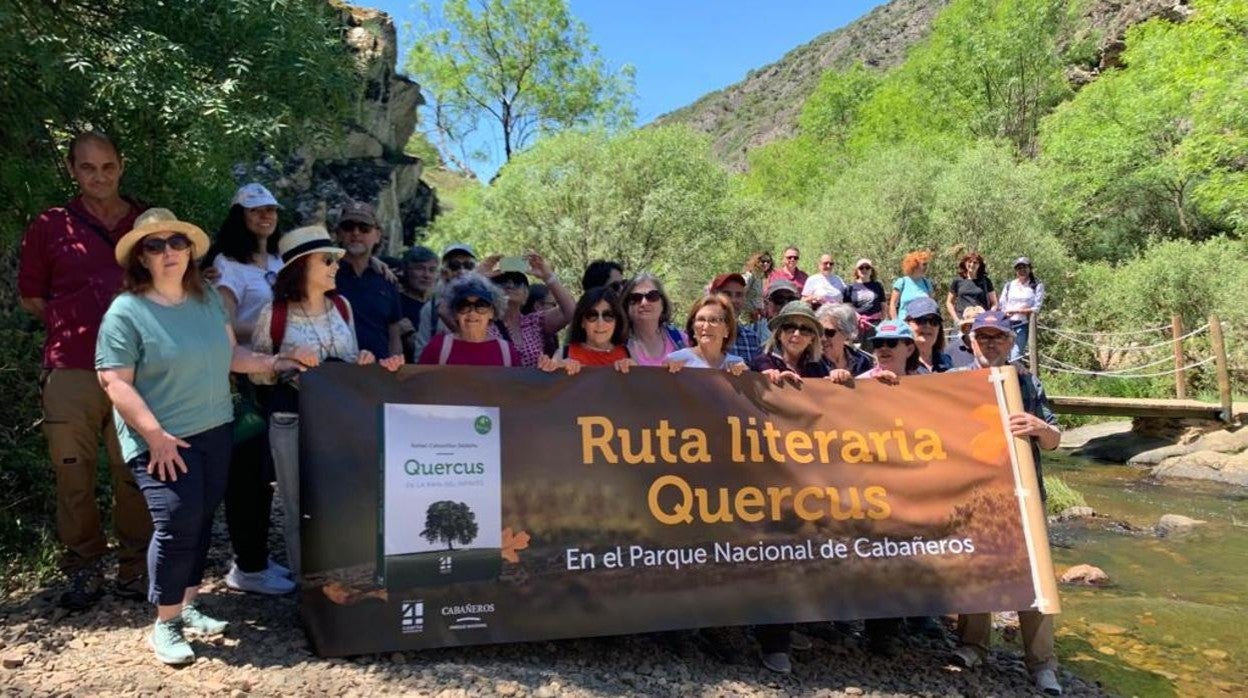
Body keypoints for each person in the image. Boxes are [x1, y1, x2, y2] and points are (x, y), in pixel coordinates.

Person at [95, 208, 309, 665]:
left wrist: (275, 362)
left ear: (190, 250)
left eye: (177, 243)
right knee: (175, 523)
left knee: (199, 519)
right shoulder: (126, 311)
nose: (168, 252)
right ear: (141, 257)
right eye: (155, 245)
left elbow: (231, 354)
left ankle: (186, 605)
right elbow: (115, 382)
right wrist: (155, 436)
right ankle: (165, 623)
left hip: (215, 429)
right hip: (160, 437)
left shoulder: (208, 299)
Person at [17, 130, 153, 609]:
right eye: (88, 167)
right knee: (72, 473)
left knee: (133, 470)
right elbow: (33, 296)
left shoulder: (146, 222)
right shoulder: (51, 225)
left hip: (137, 369)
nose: (100, 176)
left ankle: (136, 570)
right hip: (71, 368)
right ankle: (84, 568)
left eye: (108, 166)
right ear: (73, 169)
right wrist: (75, 322)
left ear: (121, 166)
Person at [251, 225, 399, 579]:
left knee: (342, 498)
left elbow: (348, 359)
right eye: (327, 260)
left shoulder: (342, 307)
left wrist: (362, 360)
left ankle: (341, 582)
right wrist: (285, 363)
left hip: (338, 423)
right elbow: (255, 371)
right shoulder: (274, 314)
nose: (336, 265)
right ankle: (307, 587)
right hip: (291, 418)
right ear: (302, 267)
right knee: (297, 502)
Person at [951, 309, 1063, 696]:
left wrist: (1041, 428)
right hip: (974, 493)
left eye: (997, 336)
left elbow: (1054, 439)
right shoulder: (953, 382)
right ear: (971, 342)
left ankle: (1043, 664)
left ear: (1011, 341)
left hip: (1025, 493)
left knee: (1034, 576)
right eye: (982, 337)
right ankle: (972, 646)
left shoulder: (1028, 382)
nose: (990, 343)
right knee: (976, 568)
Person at [206, 183, 292, 595]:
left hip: (277, 375)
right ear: (239, 215)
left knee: (268, 475)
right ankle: (247, 567)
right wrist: (275, 330)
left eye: (271, 209)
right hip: (242, 380)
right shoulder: (227, 264)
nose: (265, 216)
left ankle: (258, 558)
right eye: (256, 209)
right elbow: (222, 322)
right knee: (247, 475)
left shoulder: (278, 259)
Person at [748, 299, 826, 673]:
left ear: (814, 337)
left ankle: (788, 623)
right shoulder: (763, 364)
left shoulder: (818, 368)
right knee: (776, 553)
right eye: (790, 327)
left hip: (809, 476)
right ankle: (773, 641)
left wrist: (839, 382)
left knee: (804, 553)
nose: (797, 334)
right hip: (767, 476)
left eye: (806, 329)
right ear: (778, 331)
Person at [333, 201, 404, 362]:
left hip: (378, 376)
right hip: (334, 375)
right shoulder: (324, 275)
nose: (356, 233)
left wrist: (396, 369)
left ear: (377, 235)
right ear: (338, 234)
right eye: (348, 226)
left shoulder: (388, 280)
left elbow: (394, 334)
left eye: (364, 228)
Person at [480, 253, 575, 367]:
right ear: (491, 293)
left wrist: (548, 276)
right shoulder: (481, 324)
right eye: (501, 282)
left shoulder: (535, 322)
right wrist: (476, 278)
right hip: (497, 384)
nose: (509, 285)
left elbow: (571, 312)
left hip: (534, 384)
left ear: (526, 295)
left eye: (517, 281)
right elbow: (456, 317)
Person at [418, 274, 522, 367]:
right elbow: (421, 384)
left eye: (481, 306)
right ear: (455, 313)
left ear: (492, 312)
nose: (472, 313)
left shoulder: (507, 352)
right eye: (464, 306)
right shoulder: (438, 347)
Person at [538, 287, 632, 374]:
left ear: (617, 321)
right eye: (592, 315)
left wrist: (635, 371)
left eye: (608, 315)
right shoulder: (563, 354)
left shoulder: (629, 354)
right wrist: (556, 371)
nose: (600, 323)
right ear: (582, 322)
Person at [411, 242, 479, 358]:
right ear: (444, 272)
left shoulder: (487, 305)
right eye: (454, 265)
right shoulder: (431, 309)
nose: (462, 271)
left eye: (468, 265)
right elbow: (421, 355)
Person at [663, 295, 747, 374]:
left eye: (714, 320)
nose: (706, 326)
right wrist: (667, 372)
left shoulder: (736, 363)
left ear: (727, 330)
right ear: (693, 327)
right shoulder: (677, 359)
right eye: (701, 320)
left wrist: (744, 376)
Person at [622, 274, 687, 367]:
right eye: (635, 298)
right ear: (626, 306)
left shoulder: (681, 340)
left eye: (652, 296)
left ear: (663, 304)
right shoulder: (619, 344)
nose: (644, 303)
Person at [999, 257, 1046, 361]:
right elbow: (1002, 303)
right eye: (1018, 268)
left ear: (1030, 268)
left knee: (1016, 355)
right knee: (1004, 355)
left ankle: (1016, 376)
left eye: (1024, 267)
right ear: (1015, 271)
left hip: (1023, 324)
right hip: (1007, 324)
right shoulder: (1009, 285)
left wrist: (1017, 311)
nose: (1021, 270)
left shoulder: (1037, 285)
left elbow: (1036, 308)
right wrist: (1006, 313)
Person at [397, 245, 438, 362]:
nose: (426, 275)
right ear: (405, 270)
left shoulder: (437, 306)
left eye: (432, 270)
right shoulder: (395, 302)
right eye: (419, 268)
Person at [709, 273, 761, 363]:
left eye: (739, 295)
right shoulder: (697, 335)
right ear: (712, 297)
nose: (733, 300)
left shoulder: (752, 339)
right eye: (727, 294)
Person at [815, 303, 873, 383]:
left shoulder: (863, 361)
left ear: (846, 333)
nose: (823, 338)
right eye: (820, 332)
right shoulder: (811, 362)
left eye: (829, 332)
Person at [857, 321, 923, 384]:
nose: (883, 348)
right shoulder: (861, 382)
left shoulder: (922, 380)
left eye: (891, 342)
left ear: (909, 350)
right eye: (878, 343)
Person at [904, 297, 953, 373]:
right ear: (907, 325)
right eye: (920, 320)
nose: (928, 325)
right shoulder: (899, 364)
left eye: (934, 321)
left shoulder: (947, 361)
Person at [843, 258, 887, 339]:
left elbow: (883, 305)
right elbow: (847, 308)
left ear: (871, 270)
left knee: (873, 350)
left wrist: (883, 323)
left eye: (867, 267)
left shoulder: (878, 286)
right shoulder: (850, 288)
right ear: (857, 271)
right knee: (856, 349)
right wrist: (858, 317)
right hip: (856, 324)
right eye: (861, 268)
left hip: (875, 324)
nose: (864, 270)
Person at [945, 252, 997, 320]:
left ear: (979, 265)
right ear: (965, 263)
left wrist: (989, 316)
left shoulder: (986, 281)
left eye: (975, 263)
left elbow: (994, 303)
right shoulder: (957, 281)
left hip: (981, 321)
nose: (972, 265)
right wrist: (956, 320)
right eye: (969, 262)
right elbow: (949, 302)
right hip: (963, 321)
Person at [888, 250, 934, 321]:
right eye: (924, 264)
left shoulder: (927, 283)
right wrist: (896, 323)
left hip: (923, 324)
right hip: (905, 324)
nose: (926, 267)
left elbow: (931, 304)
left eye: (927, 264)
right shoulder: (902, 282)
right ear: (914, 265)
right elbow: (893, 304)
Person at [740, 251, 773, 322]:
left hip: (757, 318)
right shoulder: (750, 275)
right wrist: (752, 310)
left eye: (768, 261)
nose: (766, 263)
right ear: (756, 262)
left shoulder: (760, 277)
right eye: (763, 261)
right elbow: (740, 295)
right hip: (746, 317)